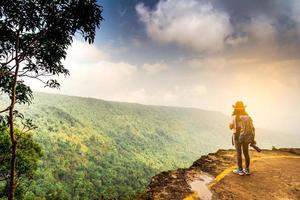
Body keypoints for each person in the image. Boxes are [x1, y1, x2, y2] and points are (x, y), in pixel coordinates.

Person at [229, 101, 251, 176]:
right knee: (246, 153)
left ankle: (240, 170)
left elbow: (231, 127)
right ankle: (247, 170)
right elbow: (252, 128)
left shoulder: (234, 117)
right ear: (243, 108)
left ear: (235, 108)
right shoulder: (248, 117)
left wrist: (230, 125)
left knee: (239, 153)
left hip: (237, 137)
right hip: (246, 137)